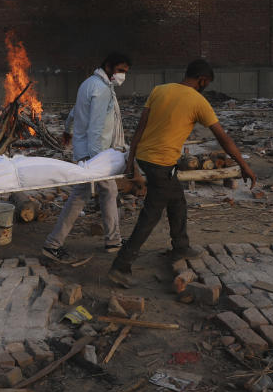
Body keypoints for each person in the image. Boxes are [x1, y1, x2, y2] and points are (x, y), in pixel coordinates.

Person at [107, 59, 258, 288]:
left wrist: (131, 160)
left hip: (147, 158)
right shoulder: (199, 101)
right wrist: (244, 166)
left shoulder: (159, 90)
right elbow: (223, 138)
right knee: (151, 215)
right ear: (202, 80)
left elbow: (140, 127)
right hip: (161, 163)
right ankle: (121, 265)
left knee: (177, 199)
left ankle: (181, 246)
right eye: (206, 82)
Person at [42, 53, 131, 263]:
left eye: (125, 72)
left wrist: (67, 129)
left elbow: (75, 111)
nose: (122, 76)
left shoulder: (89, 84)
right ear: (108, 66)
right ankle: (52, 245)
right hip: (95, 153)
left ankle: (113, 240)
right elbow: (96, 128)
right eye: (120, 70)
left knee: (108, 192)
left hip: (88, 152)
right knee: (81, 196)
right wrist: (97, 163)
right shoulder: (101, 90)